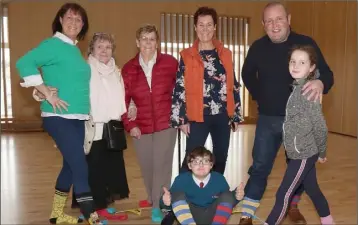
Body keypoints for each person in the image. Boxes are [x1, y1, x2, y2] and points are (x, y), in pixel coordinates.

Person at [240, 2, 334, 225]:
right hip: (268, 120)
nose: (275, 25)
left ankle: (292, 206)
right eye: (269, 21)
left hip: (301, 123)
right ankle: (247, 214)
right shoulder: (258, 47)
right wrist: (259, 95)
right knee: (260, 167)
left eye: (279, 19)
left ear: (289, 19)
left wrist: (321, 83)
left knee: (300, 169)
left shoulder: (306, 43)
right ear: (263, 24)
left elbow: (328, 73)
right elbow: (246, 74)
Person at [15, 3, 105, 225]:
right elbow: (24, 63)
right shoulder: (54, 44)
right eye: (70, 18)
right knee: (80, 166)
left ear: (83, 25)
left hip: (77, 117)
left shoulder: (73, 49)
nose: (74, 22)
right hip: (59, 117)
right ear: (60, 20)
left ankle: (57, 214)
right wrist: (44, 91)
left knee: (70, 165)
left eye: (79, 20)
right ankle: (91, 215)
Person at [33, 33, 133, 220]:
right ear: (92, 50)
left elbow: (123, 96)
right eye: (100, 47)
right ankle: (88, 210)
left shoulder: (116, 71)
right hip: (89, 126)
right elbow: (62, 86)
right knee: (88, 169)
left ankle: (100, 206)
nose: (104, 51)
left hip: (111, 128)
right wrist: (41, 93)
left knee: (106, 169)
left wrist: (130, 106)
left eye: (108, 47)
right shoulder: (84, 68)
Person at [265, 44, 334, 225]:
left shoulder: (308, 93)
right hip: (297, 152)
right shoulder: (297, 88)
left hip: (303, 154)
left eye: (302, 62)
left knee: (283, 194)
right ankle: (328, 221)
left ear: (311, 68)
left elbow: (320, 126)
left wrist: (322, 152)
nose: (295, 66)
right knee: (312, 189)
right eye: (293, 61)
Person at [171, 6, 243, 175]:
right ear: (195, 27)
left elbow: (233, 84)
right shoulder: (186, 56)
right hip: (197, 116)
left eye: (209, 24)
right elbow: (179, 87)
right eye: (201, 25)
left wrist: (236, 114)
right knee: (192, 157)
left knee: (220, 157)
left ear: (215, 27)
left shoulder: (225, 54)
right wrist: (181, 119)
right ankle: (180, 195)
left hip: (222, 116)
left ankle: (214, 193)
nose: (205, 29)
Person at [120, 24, 178, 223]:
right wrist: (130, 124)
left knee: (161, 166)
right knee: (147, 166)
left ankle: (159, 204)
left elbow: (181, 91)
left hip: (166, 123)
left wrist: (179, 117)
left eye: (152, 39)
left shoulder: (170, 63)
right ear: (137, 42)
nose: (148, 43)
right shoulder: (128, 68)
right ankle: (154, 197)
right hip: (140, 125)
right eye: (144, 39)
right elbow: (123, 100)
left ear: (157, 42)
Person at [160, 146, 245, 225]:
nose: (201, 165)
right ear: (189, 165)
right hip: (189, 217)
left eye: (205, 161)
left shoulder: (219, 179)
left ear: (211, 165)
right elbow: (167, 203)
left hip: (213, 218)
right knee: (176, 195)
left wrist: (236, 196)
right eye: (196, 162)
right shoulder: (181, 180)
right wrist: (165, 201)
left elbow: (228, 202)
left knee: (227, 195)